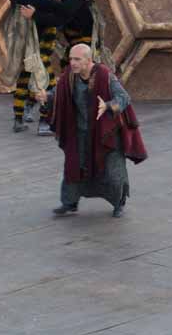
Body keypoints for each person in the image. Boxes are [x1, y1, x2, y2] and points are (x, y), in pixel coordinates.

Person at [49, 44, 135, 218]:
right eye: (71, 58)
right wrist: (47, 97)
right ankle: (69, 203)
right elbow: (58, 93)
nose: (72, 62)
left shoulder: (105, 76)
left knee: (113, 171)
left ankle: (119, 203)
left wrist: (109, 105)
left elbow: (124, 98)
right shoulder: (70, 77)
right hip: (81, 132)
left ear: (88, 61)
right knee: (73, 166)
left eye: (77, 59)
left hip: (107, 133)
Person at [3, 0, 59, 134]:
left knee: (22, 84)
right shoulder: (44, 2)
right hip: (39, 54)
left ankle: (18, 121)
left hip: (24, 53)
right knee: (48, 86)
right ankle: (44, 123)